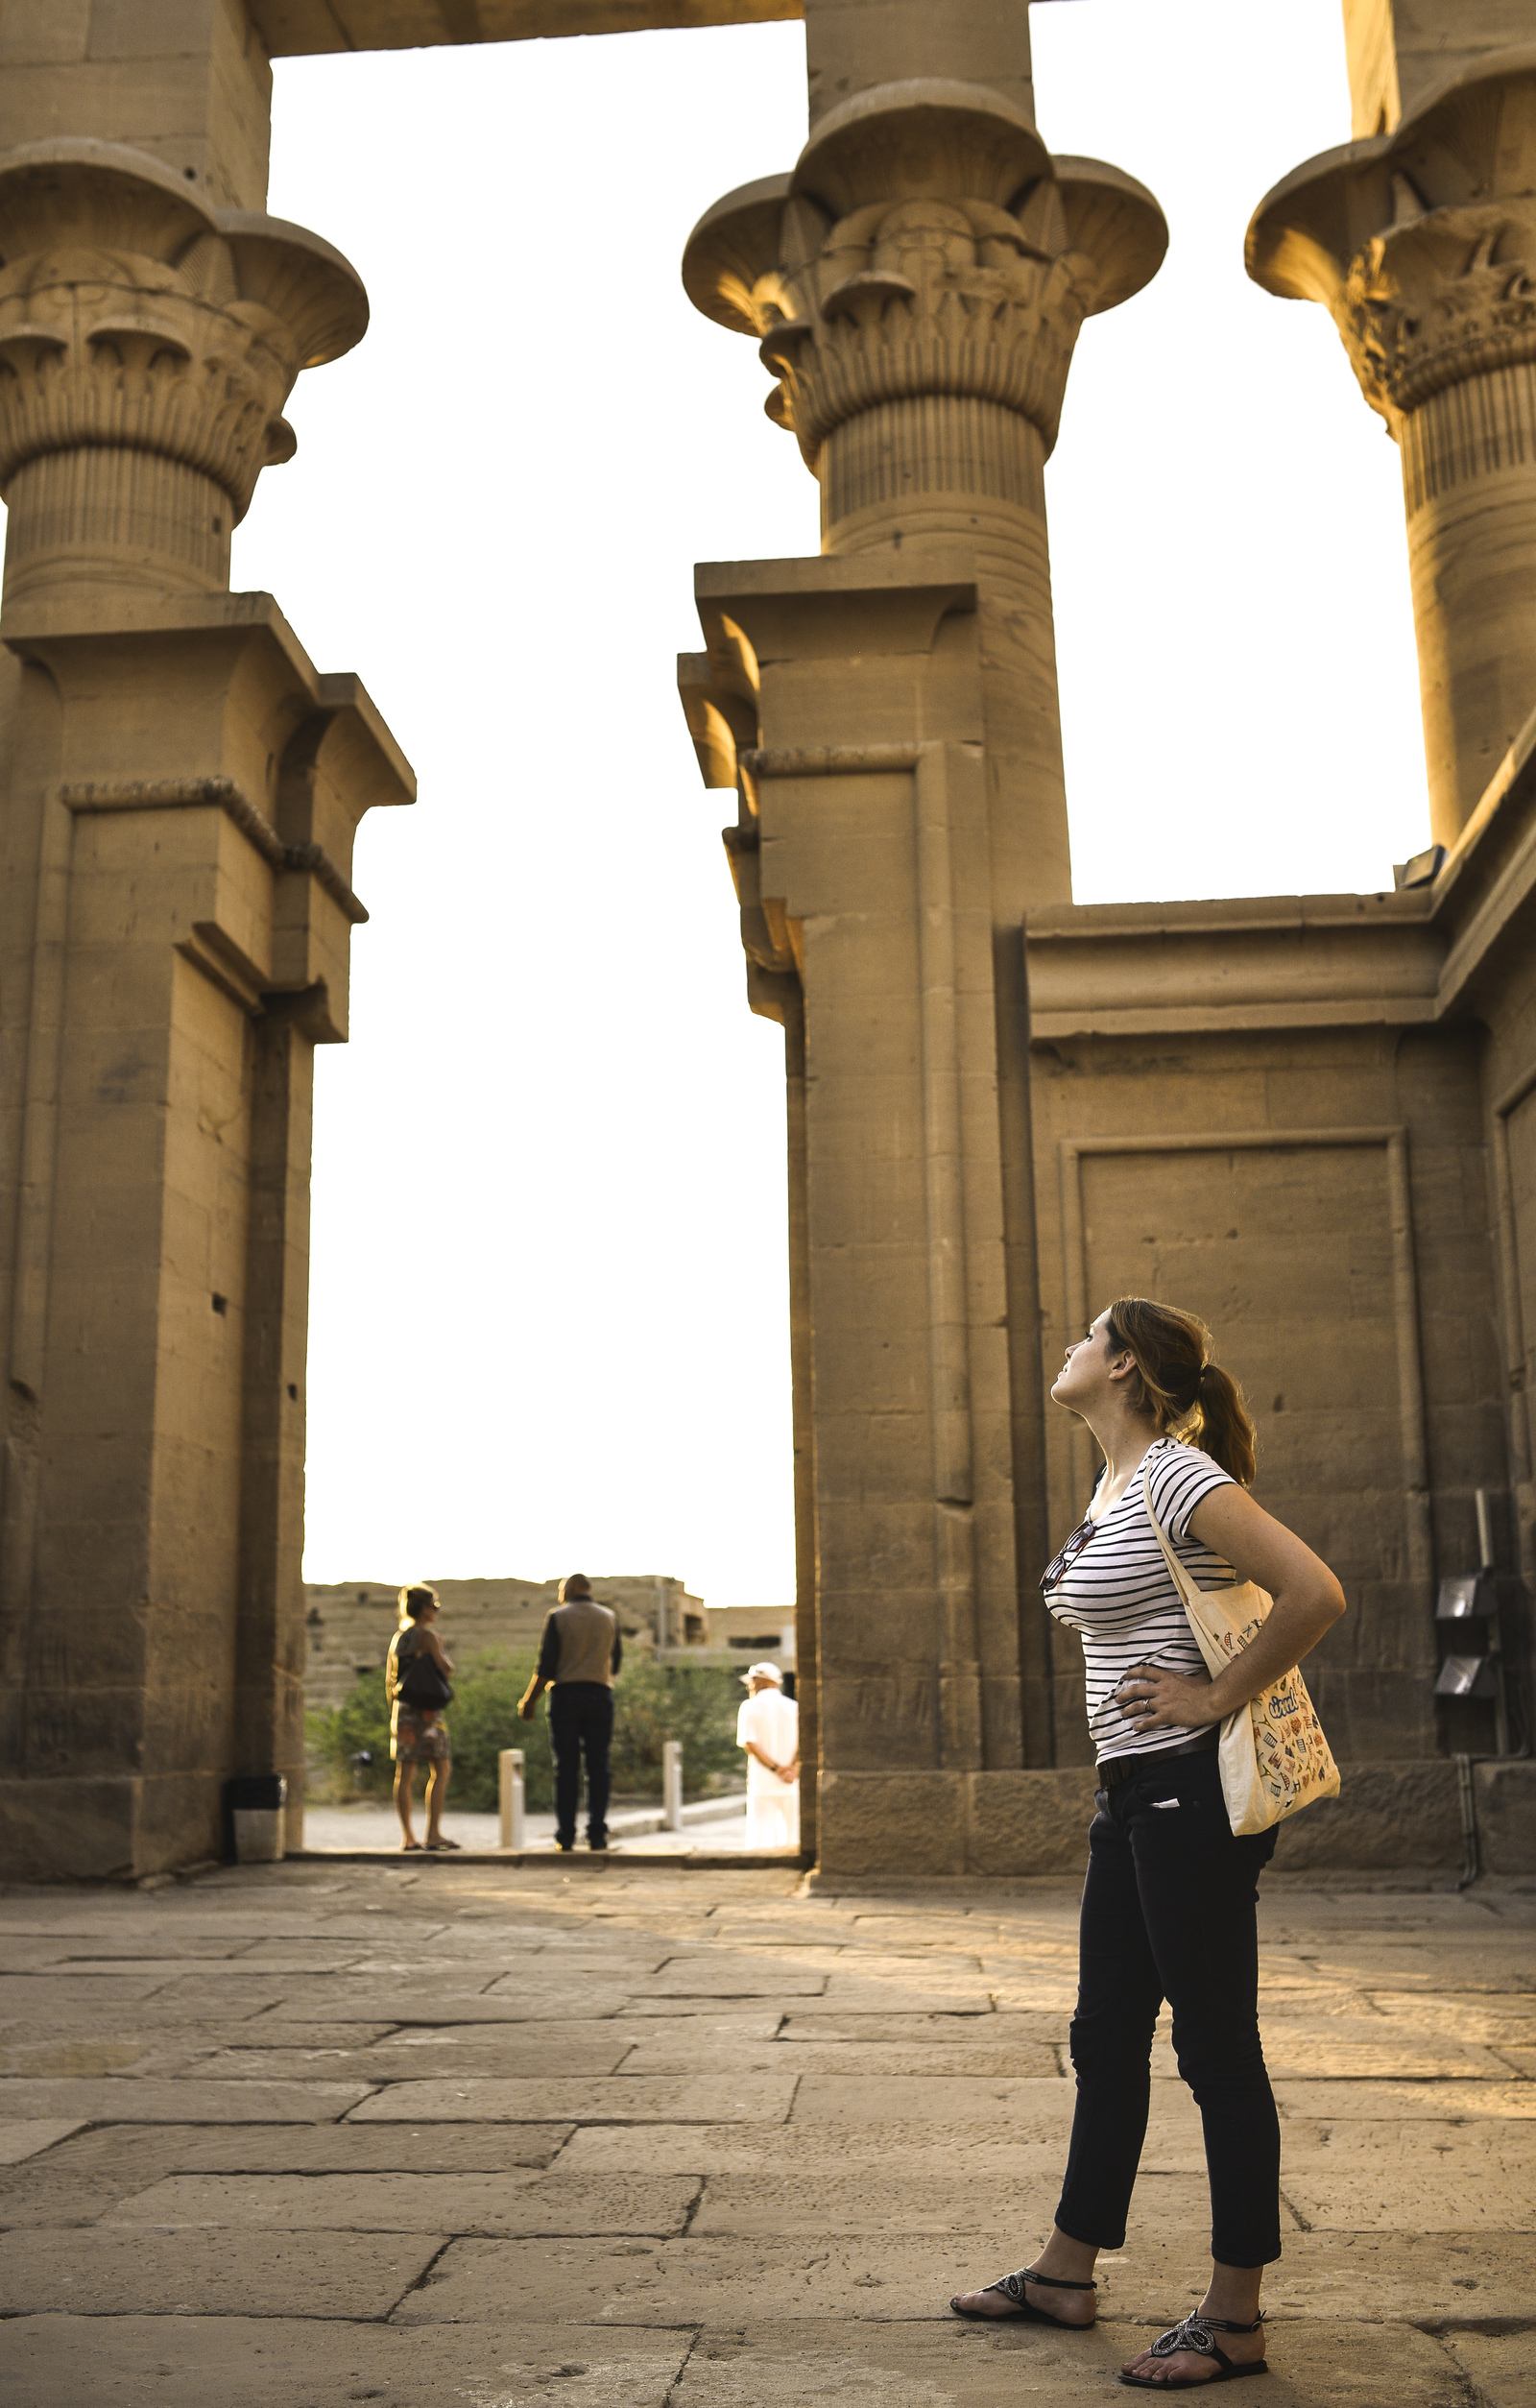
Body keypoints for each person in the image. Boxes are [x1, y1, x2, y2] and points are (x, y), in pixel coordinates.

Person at [949, 1296, 1346, 2390]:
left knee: (1215, 2048)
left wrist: (1213, 1693)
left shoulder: (1177, 1474)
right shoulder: (1117, 1483)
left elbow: (1313, 1590)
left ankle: (1234, 2316)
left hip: (1186, 1795)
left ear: (1122, 1366)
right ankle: (1066, 2272)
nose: (1067, 1348)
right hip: (1129, 1794)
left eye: (1086, 1335)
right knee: (1104, 2034)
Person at [518, 1573, 623, 1851]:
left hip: (566, 1695)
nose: (559, 1595)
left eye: (560, 1590)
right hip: (600, 1694)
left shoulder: (558, 1616)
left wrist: (529, 1701)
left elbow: (546, 1667)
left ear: (571, 1589)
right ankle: (597, 1833)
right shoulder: (609, 1617)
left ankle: (565, 1835)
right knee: (598, 1766)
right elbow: (616, 1663)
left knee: (566, 1767)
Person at [386, 1584, 459, 1854]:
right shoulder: (427, 1636)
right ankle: (433, 1833)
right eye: (435, 1606)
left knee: (404, 1773)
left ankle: (408, 1837)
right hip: (427, 1711)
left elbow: (391, 1679)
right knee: (440, 1769)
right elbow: (446, 1669)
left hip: (403, 1710)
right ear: (425, 1609)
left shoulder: (400, 1638)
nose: (436, 1612)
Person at [735, 1662, 800, 1849]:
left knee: (761, 1832)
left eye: (751, 1681)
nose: (749, 1686)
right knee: (793, 1831)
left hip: (763, 1781)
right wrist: (792, 1769)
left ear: (759, 1682)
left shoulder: (749, 1706)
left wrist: (777, 1769)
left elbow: (750, 1744)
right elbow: (805, 1742)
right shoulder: (794, 1707)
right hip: (790, 1780)